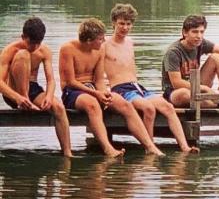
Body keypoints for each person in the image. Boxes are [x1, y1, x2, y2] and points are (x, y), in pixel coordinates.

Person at [59, 18, 164, 157]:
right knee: (92, 105)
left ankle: (150, 146)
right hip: (73, 91)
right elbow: (70, 81)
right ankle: (108, 148)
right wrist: (96, 94)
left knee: (125, 104)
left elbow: (99, 79)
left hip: (94, 88)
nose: (104, 42)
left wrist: (104, 93)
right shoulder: (68, 49)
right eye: (100, 39)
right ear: (89, 40)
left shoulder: (100, 49)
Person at [104, 4, 198, 153]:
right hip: (121, 89)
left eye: (128, 24)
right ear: (113, 23)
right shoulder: (104, 44)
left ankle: (185, 146)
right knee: (148, 108)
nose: (125, 28)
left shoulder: (130, 42)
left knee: (168, 107)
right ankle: (150, 147)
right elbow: (95, 67)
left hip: (137, 87)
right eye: (121, 23)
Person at [0, 17, 73, 157]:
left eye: (37, 43)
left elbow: (51, 80)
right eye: (30, 42)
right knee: (23, 55)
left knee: (59, 107)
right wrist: (18, 97)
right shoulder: (10, 50)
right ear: (23, 37)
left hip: (33, 88)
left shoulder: (44, 51)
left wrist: (49, 97)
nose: (34, 47)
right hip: (13, 92)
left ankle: (67, 152)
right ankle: (25, 100)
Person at [161, 15, 219, 109]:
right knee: (185, 94)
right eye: (195, 32)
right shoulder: (173, 52)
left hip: (196, 85)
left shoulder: (201, 43)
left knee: (217, 58)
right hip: (175, 92)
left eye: (201, 32)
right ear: (185, 32)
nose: (199, 36)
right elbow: (177, 83)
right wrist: (205, 88)